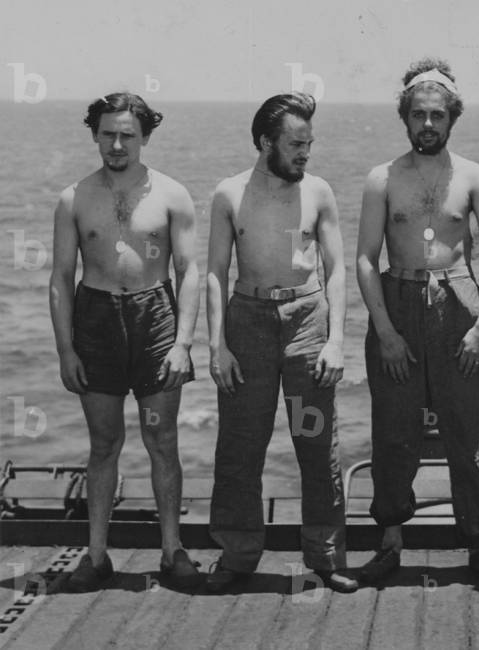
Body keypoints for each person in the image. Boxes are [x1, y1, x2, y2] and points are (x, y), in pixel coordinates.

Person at [355, 58, 479, 586]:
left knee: (470, 434)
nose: (428, 124)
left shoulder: (472, 176)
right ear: (405, 116)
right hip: (398, 301)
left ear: (452, 119)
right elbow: (364, 258)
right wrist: (385, 331)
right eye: (418, 114)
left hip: (458, 301)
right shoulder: (383, 178)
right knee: (395, 434)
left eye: (437, 115)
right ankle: (391, 540)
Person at [50, 93, 202, 591]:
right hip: (95, 321)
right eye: (108, 134)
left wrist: (182, 343)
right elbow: (60, 278)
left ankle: (172, 552)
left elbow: (189, 272)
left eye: (128, 135)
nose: (117, 144)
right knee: (103, 444)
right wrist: (66, 349)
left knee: (162, 440)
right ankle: (96, 556)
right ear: (94, 134)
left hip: (154, 318)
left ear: (145, 137)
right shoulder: (74, 198)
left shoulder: (172, 195)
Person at [205, 92, 355, 593]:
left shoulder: (319, 191)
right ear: (266, 142)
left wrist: (336, 340)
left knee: (316, 442)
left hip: (307, 318)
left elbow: (337, 271)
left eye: (309, 143)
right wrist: (216, 345)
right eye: (295, 144)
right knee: (241, 445)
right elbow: (213, 273)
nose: (305, 153)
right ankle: (238, 554)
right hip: (247, 320)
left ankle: (327, 555)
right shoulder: (229, 194)